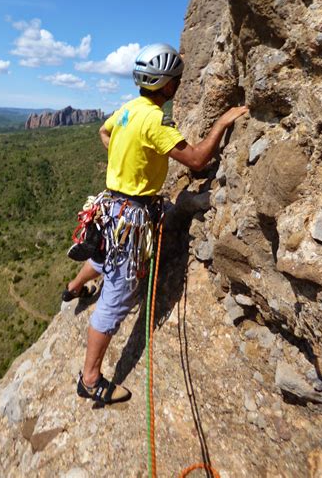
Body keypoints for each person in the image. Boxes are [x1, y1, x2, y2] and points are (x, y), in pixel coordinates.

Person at [63, 43, 248, 405]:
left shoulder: (129, 109)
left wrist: (128, 159)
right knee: (117, 297)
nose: (178, 84)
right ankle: (89, 379)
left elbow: (104, 132)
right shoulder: (156, 120)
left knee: (104, 255)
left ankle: (72, 289)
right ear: (168, 86)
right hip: (131, 214)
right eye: (176, 80)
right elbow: (195, 160)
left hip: (110, 207)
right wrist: (223, 123)